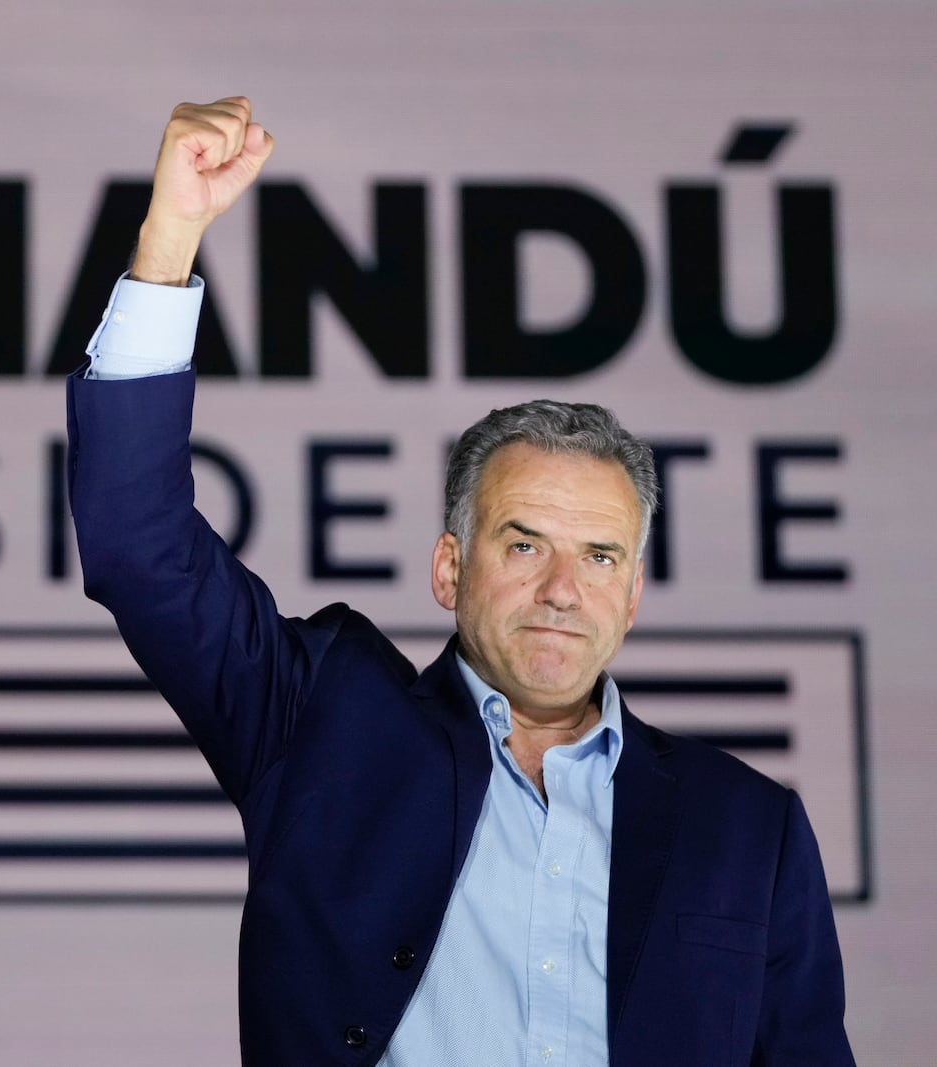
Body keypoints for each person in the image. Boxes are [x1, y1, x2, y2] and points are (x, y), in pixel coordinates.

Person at [67, 97, 854, 1067]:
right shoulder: (319, 723)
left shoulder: (747, 825)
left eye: (599, 556)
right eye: (524, 544)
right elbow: (135, 542)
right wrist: (171, 234)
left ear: (633, 592)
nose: (563, 586)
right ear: (450, 566)